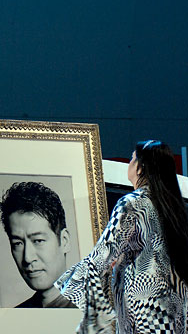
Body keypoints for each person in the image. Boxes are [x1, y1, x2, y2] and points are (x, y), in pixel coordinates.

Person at [56, 140, 188, 333]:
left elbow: (105, 252)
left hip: (144, 313)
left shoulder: (132, 203)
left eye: (132, 159)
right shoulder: (175, 208)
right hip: (175, 311)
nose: (129, 163)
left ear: (141, 168)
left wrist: (67, 286)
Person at [0, 181, 75, 308]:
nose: (27, 258)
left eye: (38, 241)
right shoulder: (16, 314)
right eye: (18, 243)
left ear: (64, 241)